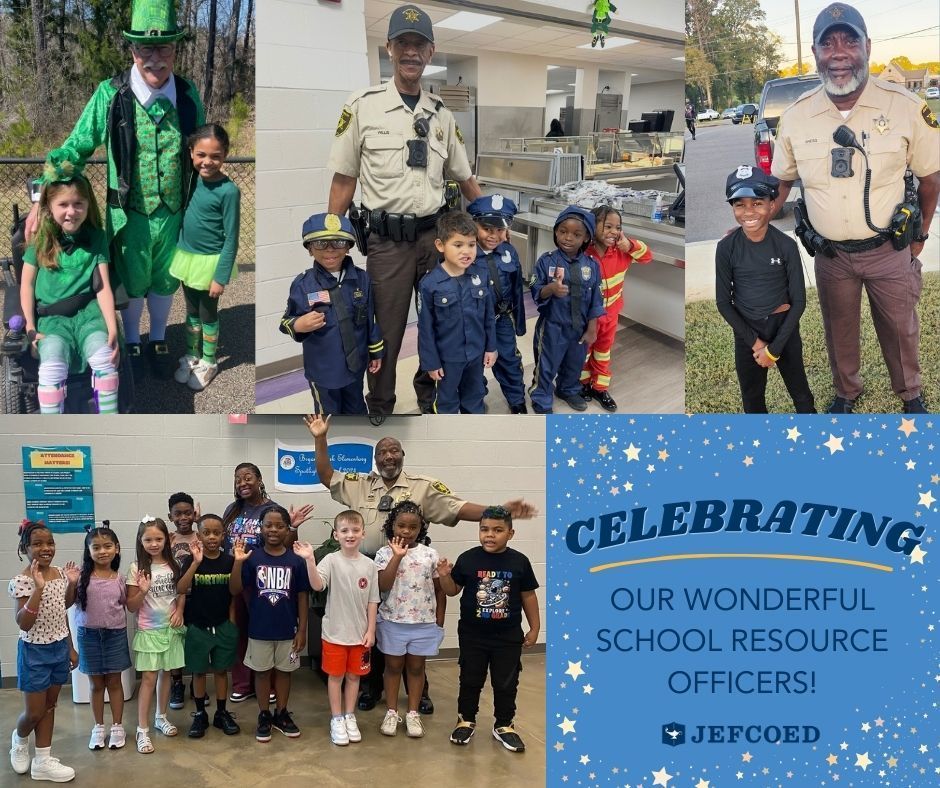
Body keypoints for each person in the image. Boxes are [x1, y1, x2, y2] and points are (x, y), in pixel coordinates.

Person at [305, 412, 538, 713]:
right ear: (375, 460)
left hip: (411, 576)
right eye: (382, 453)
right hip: (371, 571)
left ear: (403, 455)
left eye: (394, 451)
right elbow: (327, 475)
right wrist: (320, 437)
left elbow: (458, 507)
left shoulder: (423, 487)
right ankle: (372, 688)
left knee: (414, 640)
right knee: (374, 635)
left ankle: (420, 694)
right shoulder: (360, 484)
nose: (388, 457)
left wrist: (496, 510)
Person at [771, 2, 939, 414]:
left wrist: (919, 238)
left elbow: (931, 178)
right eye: (828, 44)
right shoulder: (796, 116)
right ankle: (847, 392)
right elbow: (781, 181)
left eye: (849, 41)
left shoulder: (904, 106)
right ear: (815, 52)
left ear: (867, 46)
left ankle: (910, 392)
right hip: (831, 254)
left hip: (889, 250)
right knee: (839, 330)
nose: (839, 52)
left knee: (900, 328)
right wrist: (753, 224)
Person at [26, 0, 206, 380]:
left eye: (164, 48)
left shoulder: (188, 95)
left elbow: (203, 152)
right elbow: (75, 147)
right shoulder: (111, 95)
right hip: (131, 214)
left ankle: (158, 338)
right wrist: (42, 199)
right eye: (145, 48)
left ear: (175, 49)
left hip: (175, 212)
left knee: (165, 278)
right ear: (132, 50)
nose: (155, 58)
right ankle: (132, 340)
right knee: (132, 280)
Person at [327, 3, 483, 414]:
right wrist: (334, 239)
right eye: (403, 43)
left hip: (436, 241)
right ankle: (379, 403)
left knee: (442, 322)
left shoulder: (442, 114)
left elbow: (464, 177)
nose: (411, 52)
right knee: (386, 331)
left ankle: (431, 396)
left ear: (431, 52)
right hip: (386, 244)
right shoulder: (362, 105)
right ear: (389, 49)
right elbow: (344, 178)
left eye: (419, 44)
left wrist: (488, 221)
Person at [20, 161, 120, 414]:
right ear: (49, 207)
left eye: (78, 204)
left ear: (88, 206)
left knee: (105, 362)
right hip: (52, 319)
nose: (71, 212)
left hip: (89, 314)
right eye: (63, 205)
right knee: (51, 368)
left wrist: (112, 328)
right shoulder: (40, 239)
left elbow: (104, 287)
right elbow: (27, 284)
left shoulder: (96, 237)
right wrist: (30, 327)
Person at [437, 506, 539, 752]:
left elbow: (528, 596)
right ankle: (466, 720)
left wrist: (535, 628)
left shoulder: (519, 562)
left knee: (506, 682)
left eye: (497, 530)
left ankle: (504, 725)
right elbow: (452, 590)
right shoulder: (468, 558)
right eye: (484, 529)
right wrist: (443, 576)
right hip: (473, 636)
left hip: (508, 637)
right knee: (470, 680)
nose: (490, 535)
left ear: (510, 533)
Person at [716, 167, 816, 414]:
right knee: (752, 398)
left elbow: (799, 301)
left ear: (772, 205)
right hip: (747, 332)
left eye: (757, 203)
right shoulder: (726, 247)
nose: (748, 212)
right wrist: (756, 344)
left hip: (784, 329)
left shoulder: (786, 246)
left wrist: (774, 348)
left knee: (801, 393)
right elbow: (723, 302)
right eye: (740, 205)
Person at [220, 462, 313, 703]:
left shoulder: (274, 509)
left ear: (260, 479)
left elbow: (286, 546)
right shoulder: (232, 510)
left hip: (264, 580)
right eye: (238, 479)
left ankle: (270, 684)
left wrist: (292, 526)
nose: (242, 482)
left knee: (266, 633)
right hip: (238, 576)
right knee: (240, 630)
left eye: (248, 477)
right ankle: (242, 682)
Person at [279, 212, 384, 414]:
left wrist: (376, 352)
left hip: (355, 367)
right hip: (323, 372)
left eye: (338, 242)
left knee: (357, 410)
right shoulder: (303, 285)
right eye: (320, 243)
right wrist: (299, 324)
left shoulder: (362, 279)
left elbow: (371, 318)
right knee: (328, 417)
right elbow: (286, 322)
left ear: (348, 246)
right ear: (309, 249)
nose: (330, 249)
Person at [295, 510, 379, 746]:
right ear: (336, 534)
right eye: (344, 531)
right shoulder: (331, 560)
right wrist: (310, 560)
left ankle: (350, 715)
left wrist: (371, 630)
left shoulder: (370, 566)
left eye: (355, 530)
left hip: (360, 636)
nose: (350, 535)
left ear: (363, 533)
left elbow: (373, 600)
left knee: (354, 677)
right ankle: (337, 718)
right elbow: (318, 585)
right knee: (335, 677)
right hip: (334, 635)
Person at [168, 124, 241, 391]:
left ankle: (210, 361)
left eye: (215, 156)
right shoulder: (190, 178)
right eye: (201, 155)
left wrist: (220, 276)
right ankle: (192, 354)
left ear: (225, 155)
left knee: (207, 314)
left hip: (210, 264)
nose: (207, 162)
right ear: (191, 153)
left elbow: (232, 238)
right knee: (190, 312)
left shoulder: (229, 191)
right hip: (187, 258)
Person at [230, 506, 310, 743]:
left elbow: (303, 595)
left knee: (285, 673)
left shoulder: (295, 560)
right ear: (261, 528)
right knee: (262, 673)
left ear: (288, 529)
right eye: (268, 525)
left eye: (279, 525)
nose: (273, 529)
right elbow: (235, 589)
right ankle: (264, 714)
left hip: (288, 630)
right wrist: (237, 563)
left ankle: (281, 713)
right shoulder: (252, 557)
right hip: (259, 629)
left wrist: (302, 629)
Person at [8, 521, 80, 782]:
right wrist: (38, 589)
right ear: (25, 547)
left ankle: (43, 760)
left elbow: (65, 607)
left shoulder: (60, 573)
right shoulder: (22, 581)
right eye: (37, 543)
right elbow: (23, 622)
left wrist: (72, 583)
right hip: (34, 652)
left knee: (50, 705)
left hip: (59, 647)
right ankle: (19, 738)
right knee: (34, 712)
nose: (45, 548)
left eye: (49, 542)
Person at [372, 502, 446, 738]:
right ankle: (392, 711)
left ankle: (413, 713)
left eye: (412, 527)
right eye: (401, 525)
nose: (406, 531)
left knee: (416, 668)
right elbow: (383, 586)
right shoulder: (384, 553)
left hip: (423, 623)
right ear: (391, 525)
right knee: (393, 667)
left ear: (421, 528)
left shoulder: (429, 554)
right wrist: (397, 556)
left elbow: (439, 590)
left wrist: (439, 619)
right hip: (393, 620)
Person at [417, 211, 497, 413]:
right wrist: (431, 362)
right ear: (440, 245)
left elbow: (488, 316)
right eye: (458, 245)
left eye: (471, 244)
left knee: (475, 396)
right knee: (446, 402)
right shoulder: (430, 284)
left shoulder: (480, 275)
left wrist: (491, 348)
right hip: (447, 359)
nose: (466, 251)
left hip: (476, 355)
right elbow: (425, 329)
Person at [528, 206, 604, 414]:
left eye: (576, 234)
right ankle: (541, 395)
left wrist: (592, 327)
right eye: (563, 231)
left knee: (575, 362)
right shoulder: (547, 260)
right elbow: (536, 291)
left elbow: (597, 298)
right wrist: (551, 289)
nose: (568, 238)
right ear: (555, 232)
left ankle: (568, 389)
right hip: (553, 326)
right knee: (546, 363)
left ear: (586, 237)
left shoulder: (592, 265)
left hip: (579, 327)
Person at [579, 205, 652, 411]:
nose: (614, 231)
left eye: (618, 227)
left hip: (610, 314)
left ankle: (600, 388)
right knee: (585, 350)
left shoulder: (623, 251)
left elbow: (647, 257)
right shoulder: (584, 253)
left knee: (603, 351)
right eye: (608, 226)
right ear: (593, 228)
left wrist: (629, 244)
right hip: (587, 316)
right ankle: (583, 383)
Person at [125, 516, 186, 754]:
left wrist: (180, 609)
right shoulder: (136, 568)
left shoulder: (174, 565)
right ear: (140, 541)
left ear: (167, 539)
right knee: (149, 678)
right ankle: (143, 729)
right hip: (149, 631)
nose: (154, 544)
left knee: (167, 674)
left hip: (170, 629)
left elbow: (181, 592)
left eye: (158, 539)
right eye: (148, 539)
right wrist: (143, 591)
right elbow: (131, 605)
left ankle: (161, 717)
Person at [176, 514, 240, 738]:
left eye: (216, 533)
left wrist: (231, 622)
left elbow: (234, 591)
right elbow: (182, 588)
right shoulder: (190, 560)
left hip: (222, 624)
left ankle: (221, 713)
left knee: (221, 671)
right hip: (198, 626)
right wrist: (195, 562)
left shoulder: (229, 561)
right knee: (199, 672)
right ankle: (200, 713)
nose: (212, 537)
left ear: (223, 535)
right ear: (199, 535)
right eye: (206, 533)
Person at [467, 194, 528, 413]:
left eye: (500, 230)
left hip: (501, 319)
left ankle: (517, 399)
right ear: (474, 224)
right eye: (487, 229)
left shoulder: (509, 252)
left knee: (510, 360)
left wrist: (519, 324)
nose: (494, 235)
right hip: (472, 323)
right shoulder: (464, 254)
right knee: (473, 365)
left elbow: (517, 290)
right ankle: (475, 400)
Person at [74, 525, 132, 751]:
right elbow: (69, 602)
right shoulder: (81, 576)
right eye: (96, 547)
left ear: (116, 549)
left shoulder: (120, 578)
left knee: (114, 683)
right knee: (96, 684)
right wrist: (70, 582)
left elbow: (129, 604)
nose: (102, 551)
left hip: (115, 635)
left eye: (107, 546)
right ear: (88, 551)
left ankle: (117, 726)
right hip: (88, 636)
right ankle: (98, 727)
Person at [166, 491, 198, 709]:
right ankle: (177, 683)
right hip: (174, 599)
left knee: (196, 641)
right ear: (171, 517)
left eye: (188, 513)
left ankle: (198, 683)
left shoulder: (202, 536)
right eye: (178, 514)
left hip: (198, 597)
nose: (183, 518)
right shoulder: (167, 539)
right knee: (175, 642)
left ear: (194, 514)